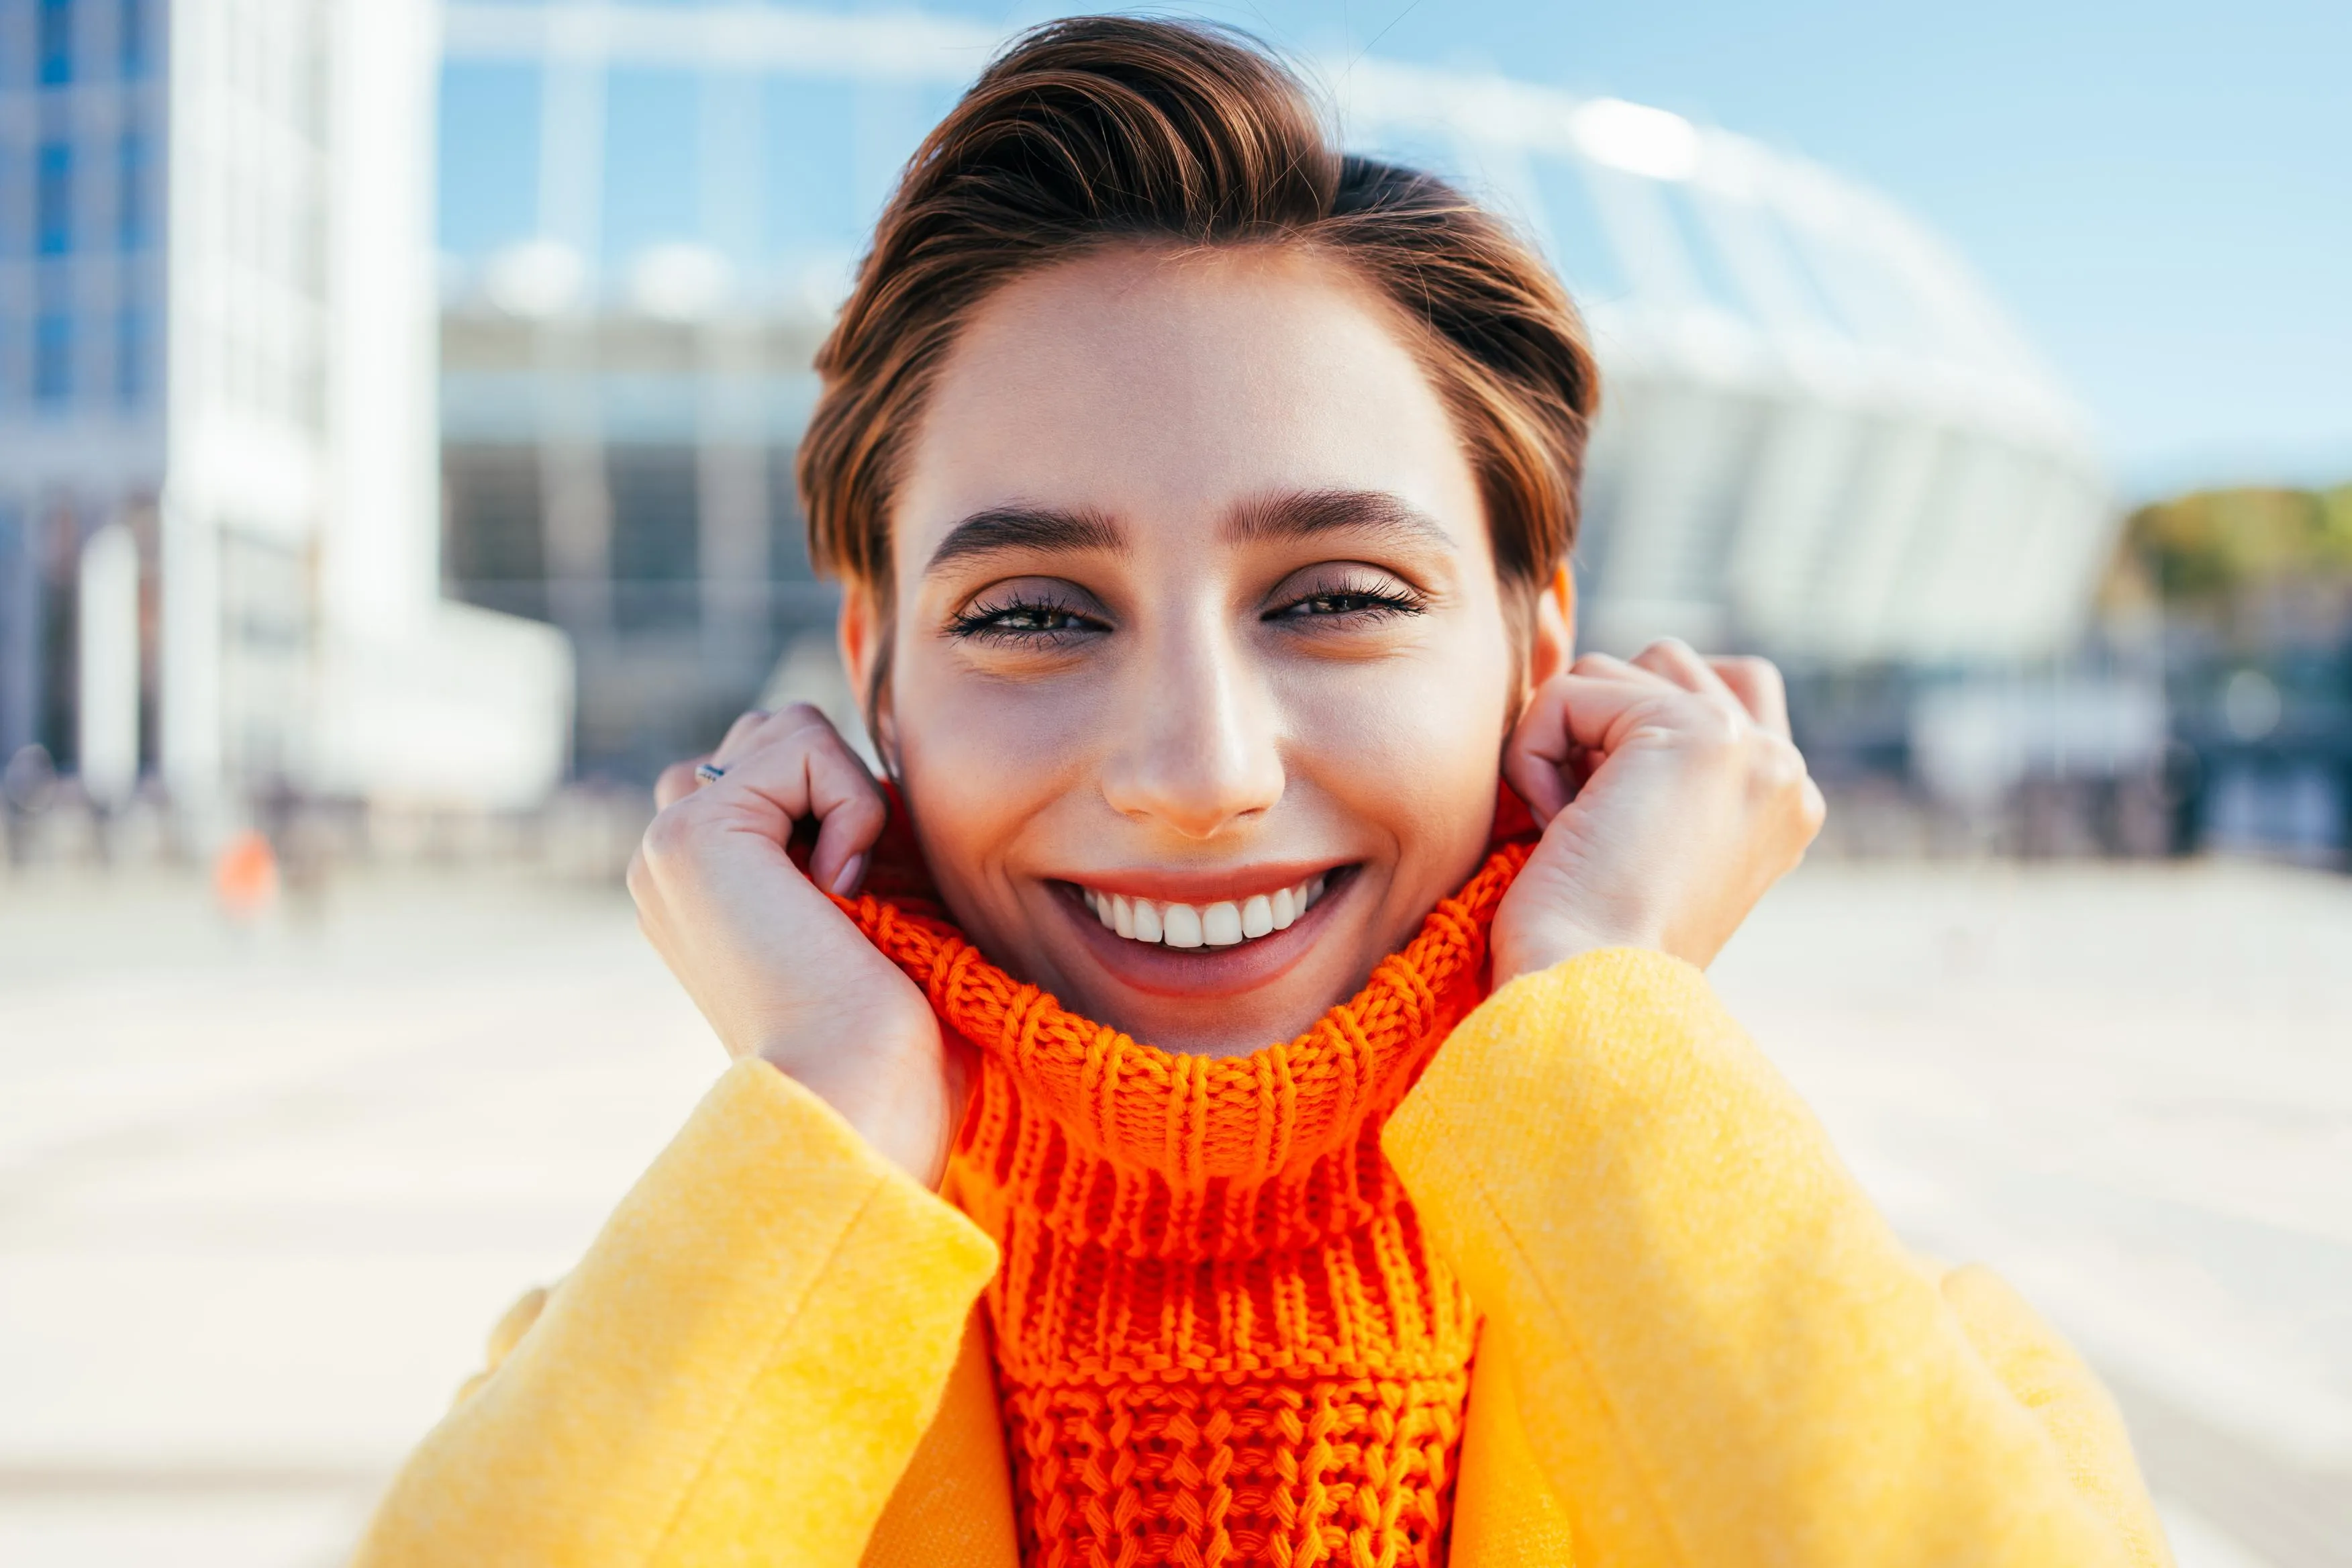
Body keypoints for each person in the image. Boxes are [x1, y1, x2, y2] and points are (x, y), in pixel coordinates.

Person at [354, 19, 2169, 1567]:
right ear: (875, 663)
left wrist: (1602, 1010)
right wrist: (832, 1091)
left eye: (1336, 600)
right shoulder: (683, 1358)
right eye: (1037, 614)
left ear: (1542, 648)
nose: (1199, 774)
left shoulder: (1934, 1384)